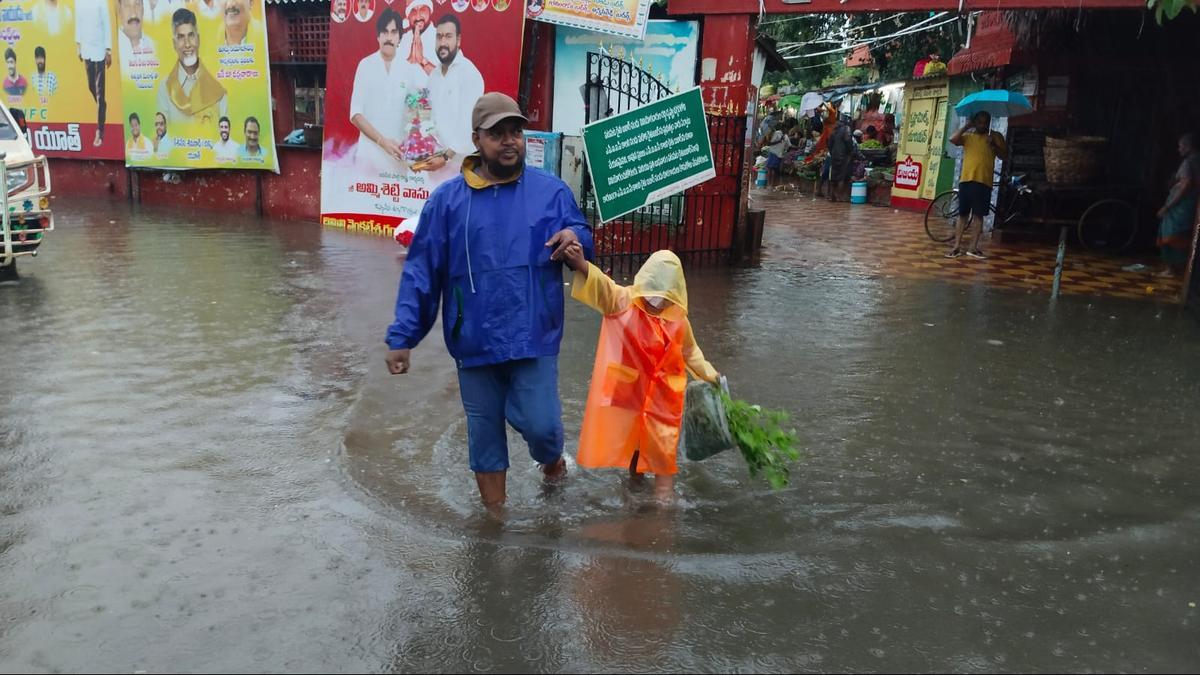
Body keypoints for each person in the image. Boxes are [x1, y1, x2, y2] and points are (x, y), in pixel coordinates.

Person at [384, 93, 594, 514]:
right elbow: (422, 272)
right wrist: (402, 336)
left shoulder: (550, 192)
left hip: (533, 334)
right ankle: (493, 526)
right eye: (497, 134)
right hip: (474, 341)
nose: (509, 141)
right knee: (484, 436)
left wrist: (575, 240)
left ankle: (552, 462)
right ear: (476, 139)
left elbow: (579, 229)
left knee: (542, 427)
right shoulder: (446, 202)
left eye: (515, 131)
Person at [560, 247, 719, 502]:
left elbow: (692, 354)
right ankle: (635, 491)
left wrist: (712, 377)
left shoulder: (679, 320)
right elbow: (602, 285)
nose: (658, 302)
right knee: (635, 450)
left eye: (665, 297)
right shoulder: (623, 302)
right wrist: (581, 264)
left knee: (663, 455)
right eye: (654, 293)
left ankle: (661, 511)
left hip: (665, 402)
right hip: (630, 394)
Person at [350, 8, 422, 172]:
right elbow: (356, 115)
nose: (389, 38)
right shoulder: (365, 66)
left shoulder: (409, 70)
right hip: (368, 157)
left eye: (394, 32)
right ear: (378, 36)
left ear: (399, 38)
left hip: (397, 157)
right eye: (385, 32)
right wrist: (382, 142)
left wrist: (414, 150)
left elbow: (415, 114)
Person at [424, 14, 484, 179]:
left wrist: (445, 157)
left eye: (448, 36)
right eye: (439, 37)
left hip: (461, 168)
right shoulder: (433, 77)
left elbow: (468, 124)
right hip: (435, 167)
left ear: (458, 40)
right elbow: (428, 119)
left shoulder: (469, 73)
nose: (442, 43)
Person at [945, 111, 1007, 259]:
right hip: (966, 180)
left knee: (978, 215)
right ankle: (956, 247)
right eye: (979, 121)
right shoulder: (969, 137)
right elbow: (952, 139)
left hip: (983, 181)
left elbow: (1004, 155)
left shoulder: (996, 136)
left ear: (989, 122)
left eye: (985, 122)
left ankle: (973, 247)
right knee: (962, 215)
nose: (982, 124)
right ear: (975, 122)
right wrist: (967, 126)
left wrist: (994, 145)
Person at [157, 9, 227, 128]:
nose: (187, 44)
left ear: (198, 39)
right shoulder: (165, 89)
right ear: (174, 44)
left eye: (191, 35)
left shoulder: (217, 91)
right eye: (181, 37)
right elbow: (163, 138)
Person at [1155, 133, 1200, 277]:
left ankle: (1171, 269)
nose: (1179, 149)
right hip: (1191, 204)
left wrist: (1168, 206)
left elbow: (1186, 184)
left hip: (1181, 205)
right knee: (1182, 234)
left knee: (1170, 233)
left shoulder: (1189, 163)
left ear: (1188, 146)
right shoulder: (1196, 160)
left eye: (1181, 146)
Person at [76, 0, 112, 147]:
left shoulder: (101, 2)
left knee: (99, 92)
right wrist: (78, 46)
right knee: (91, 86)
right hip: (87, 50)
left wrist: (108, 50)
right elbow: (78, 23)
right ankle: (102, 106)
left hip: (100, 50)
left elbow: (106, 24)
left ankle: (100, 131)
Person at [398, 0, 439, 78]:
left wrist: (422, 61)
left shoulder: (443, 37)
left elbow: (449, 81)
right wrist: (409, 61)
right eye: (413, 10)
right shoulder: (403, 40)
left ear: (430, 11)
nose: (418, 16)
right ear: (408, 16)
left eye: (422, 9)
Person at [117, 0, 156, 71]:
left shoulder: (155, 46)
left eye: (137, 4)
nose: (133, 13)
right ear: (119, 11)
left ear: (143, 10)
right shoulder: (114, 47)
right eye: (127, 6)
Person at [826, 114, 855, 202]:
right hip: (843, 156)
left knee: (834, 176)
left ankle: (832, 195)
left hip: (834, 156)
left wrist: (832, 152)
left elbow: (829, 143)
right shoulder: (846, 130)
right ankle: (839, 196)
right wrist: (850, 152)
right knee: (841, 177)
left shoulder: (834, 131)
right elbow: (849, 142)